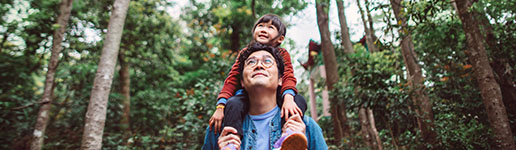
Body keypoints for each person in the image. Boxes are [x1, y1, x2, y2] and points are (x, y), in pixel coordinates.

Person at [202, 43, 327, 150]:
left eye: (267, 61)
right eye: (251, 62)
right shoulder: (220, 129)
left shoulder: (306, 127)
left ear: (280, 80)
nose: (259, 66)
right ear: (242, 82)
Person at [208, 14, 308, 148]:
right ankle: (231, 141)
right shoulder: (245, 53)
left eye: (270, 27)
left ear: (280, 38)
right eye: (260, 26)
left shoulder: (282, 54)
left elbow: (288, 76)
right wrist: (220, 107)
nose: (263, 29)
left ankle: (289, 134)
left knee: (298, 100)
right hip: (246, 95)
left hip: (278, 94)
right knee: (232, 104)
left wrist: (288, 97)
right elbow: (231, 80)